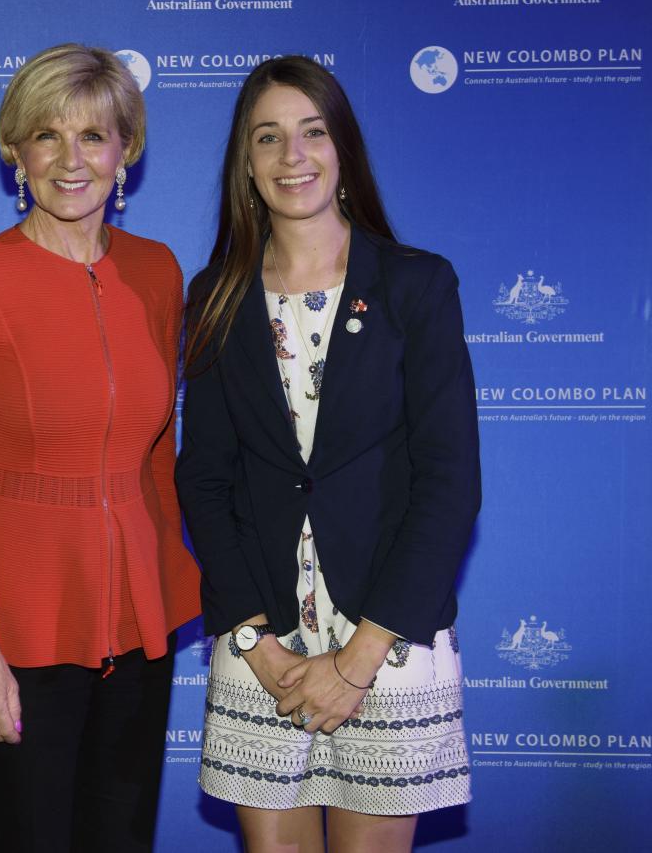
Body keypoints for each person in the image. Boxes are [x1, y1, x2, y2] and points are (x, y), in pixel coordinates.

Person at [176, 56, 478, 852]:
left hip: (389, 637)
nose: (291, 156)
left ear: (342, 148)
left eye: (311, 133)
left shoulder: (417, 286)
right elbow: (205, 479)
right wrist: (257, 643)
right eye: (267, 138)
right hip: (261, 645)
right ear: (246, 163)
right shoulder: (215, 298)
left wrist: (357, 660)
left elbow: (450, 483)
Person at [0, 43, 201, 853]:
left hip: (141, 620)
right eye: (46, 137)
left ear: (126, 151)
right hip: (20, 620)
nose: (70, 161)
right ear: (16, 153)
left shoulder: (157, 271)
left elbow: (158, 455)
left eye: (94, 137)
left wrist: (179, 583)